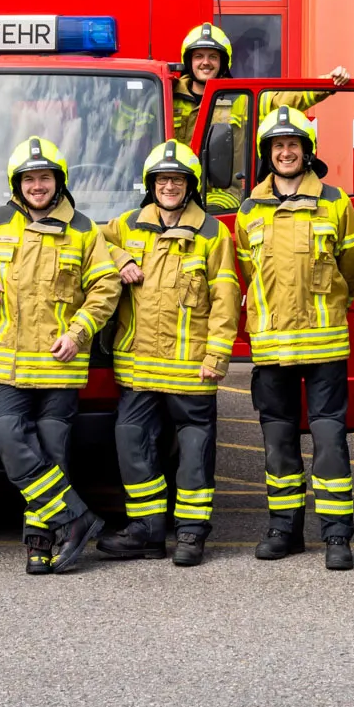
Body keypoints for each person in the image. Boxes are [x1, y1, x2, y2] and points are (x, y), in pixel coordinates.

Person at [0, 137, 127, 574]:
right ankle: (76, 517)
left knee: (52, 452)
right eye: (29, 178)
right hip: (5, 363)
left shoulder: (84, 230)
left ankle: (40, 544)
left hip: (60, 363)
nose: (38, 186)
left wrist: (79, 333)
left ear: (59, 181)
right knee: (10, 439)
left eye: (45, 177)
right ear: (17, 184)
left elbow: (106, 287)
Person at [236, 107, 354, 570]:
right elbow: (249, 273)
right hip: (271, 349)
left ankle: (336, 534)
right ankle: (283, 527)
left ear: (307, 152)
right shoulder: (249, 209)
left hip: (324, 345)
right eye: (277, 146)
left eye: (293, 145)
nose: (286, 152)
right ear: (267, 154)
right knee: (278, 440)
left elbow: (353, 271)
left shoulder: (334, 202)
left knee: (329, 439)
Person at [97, 141, 240, 566]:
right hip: (138, 366)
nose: (169, 187)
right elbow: (91, 241)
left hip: (190, 368)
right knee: (131, 440)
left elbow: (226, 298)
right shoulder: (126, 225)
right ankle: (147, 530)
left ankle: (192, 533)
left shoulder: (213, 234)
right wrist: (120, 258)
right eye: (162, 180)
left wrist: (216, 356)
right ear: (151, 184)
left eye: (177, 180)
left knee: (195, 452)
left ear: (190, 185)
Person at [166, 21, 346, 210]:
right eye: (198, 56)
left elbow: (284, 98)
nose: (205, 62)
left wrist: (327, 83)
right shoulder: (168, 95)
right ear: (188, 61)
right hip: (173, 187)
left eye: (213, 56)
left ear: (223, 62)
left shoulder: (240, 97)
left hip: (221, 194)